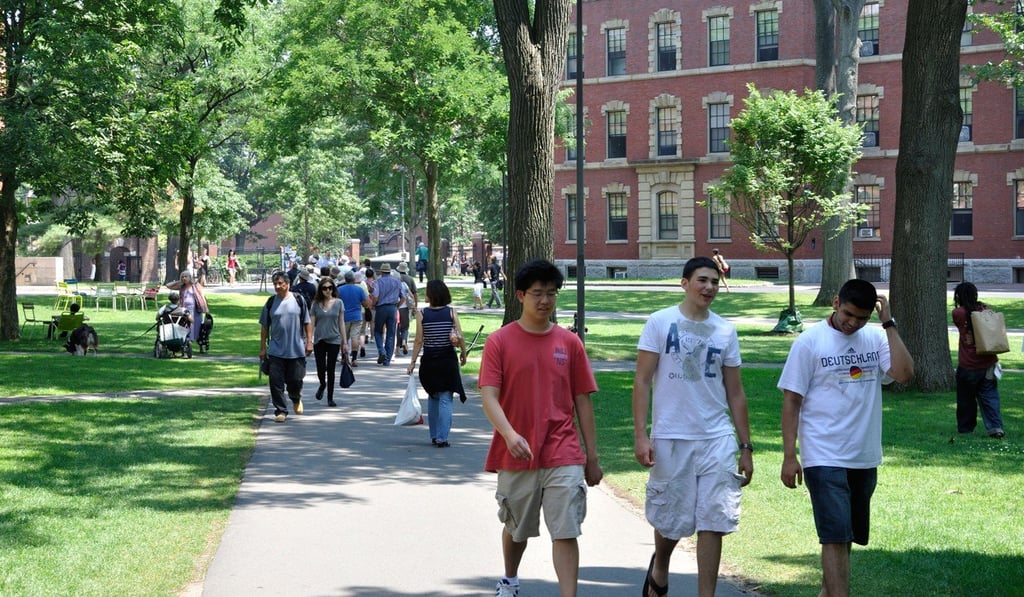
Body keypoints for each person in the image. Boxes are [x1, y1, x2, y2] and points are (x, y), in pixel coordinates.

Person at [778, 279, 914, 597]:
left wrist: (888, 323)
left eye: (862, 318)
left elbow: (905, 373)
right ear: (836, 302)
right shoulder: (810, 342)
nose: (853, 323)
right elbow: (791, 401)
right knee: (835, 536)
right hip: (823, 454)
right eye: (849, 314)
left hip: (863, 455)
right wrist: (789, 455)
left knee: (846, 536)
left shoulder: (876, 337)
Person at [478, 259, 602, 597]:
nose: (545, 301)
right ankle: (510, 579)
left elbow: (582, 401)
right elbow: (489, 396)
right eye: (537, 293)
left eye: (551, 293)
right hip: (516, 451)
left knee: (566, 529)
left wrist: (592, 456)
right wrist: (509, 433)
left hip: (563, 450)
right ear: (520, 295)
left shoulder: (569, 342)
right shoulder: (499, 342)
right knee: (516, 528)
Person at [632, 256, 753, 597]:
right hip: (671, 435)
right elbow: (641, 381)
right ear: (684, 283)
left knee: (713, 520)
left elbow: (736, 391)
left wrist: (746, 446)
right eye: (702, 280)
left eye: (714, 282)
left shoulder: (725, 330)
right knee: (672, 520)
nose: (709, 287)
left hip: (717, 437)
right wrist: (642, 436)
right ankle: (661, 566)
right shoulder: (659, 322)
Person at [407, 280, 468, 447]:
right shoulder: (451, 312)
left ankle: (434, 435)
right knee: (446, 398)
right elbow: (460, 337)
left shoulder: (422, 314)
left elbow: (419, 340)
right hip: (447, 360)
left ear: (432, 295)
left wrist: (412, 362)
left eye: (427, 292)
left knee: (433, 396)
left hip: (430, 361)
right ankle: (442, 437)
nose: (425, 295)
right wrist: (463, 354)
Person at [952, 282, 1005, 439]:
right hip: (989, 362)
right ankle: (995, 427)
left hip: (968, 364)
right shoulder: (985, 310)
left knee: (966, 399)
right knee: (990, 396)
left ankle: (966, 428)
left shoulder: (958, 313)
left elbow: (959, 322)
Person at [259, 271, 314, 423]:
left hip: (296, 349)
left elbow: (307, 323)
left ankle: (295, 398)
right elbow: (264, 327)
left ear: (287, 284)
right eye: (275, 284)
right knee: (275, 382)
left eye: (280, 283)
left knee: (295, 381)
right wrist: (263, 348)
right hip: (276, 350)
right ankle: (280, 410)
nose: (277, 286)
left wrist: (309, 341)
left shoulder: (298, 300)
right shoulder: (270, 302)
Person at [311, 276, 348, 407]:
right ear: (320, 290)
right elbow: (312, 323)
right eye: (324, 288)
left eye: (330, 288)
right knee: (321, 367)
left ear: (333, 289)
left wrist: (344, 342)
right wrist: (309, 340)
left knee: (331, 369)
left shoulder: (338, 303)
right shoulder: (315, 304)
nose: (327, 291)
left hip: (334, 339)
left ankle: (330, 397)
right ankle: (322, 384)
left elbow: (341, 323)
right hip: (319, 340)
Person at [371, 263, 403, 366]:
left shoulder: (378, 282)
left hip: (381, 308)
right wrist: (397, 306)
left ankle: (382, 351)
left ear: (381, 272)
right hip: (392, 308)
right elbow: (403, 297)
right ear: (390, 271)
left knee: (378, 331)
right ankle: (387, 359)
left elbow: (375, 296)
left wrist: (373, 305)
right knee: (391, 333)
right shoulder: (397, 282)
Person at [340, 271, 371, 367]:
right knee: (355, 337)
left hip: (344, 317)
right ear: (353, 279)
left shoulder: (339, 290)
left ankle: (344, 357)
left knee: (344, 338)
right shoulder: (359, 290)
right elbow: (365, 304)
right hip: (357, 316)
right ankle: (354, 359)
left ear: (345, 279)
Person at [167, 271, 208, 346]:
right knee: (186, 326)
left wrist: (206, 308)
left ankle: (199, 343)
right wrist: (179, 281)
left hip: (195, 310)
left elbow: (202, 296)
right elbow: (168, 285)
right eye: (182, 277)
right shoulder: (181, 286)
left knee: (196, 327)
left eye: (186, 276)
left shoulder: (196, 285)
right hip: (185, 310)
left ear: (190, 277)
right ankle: (188, 342)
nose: (184, 278)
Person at [396, 262, 419, 355]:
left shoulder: (395, 279)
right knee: (405, 327)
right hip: (406, 307)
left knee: (397, 327)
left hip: (396, 307)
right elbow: (414, 294)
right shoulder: (410, 279)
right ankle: (405, 341)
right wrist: (415, 306)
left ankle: (398, 345)